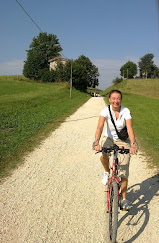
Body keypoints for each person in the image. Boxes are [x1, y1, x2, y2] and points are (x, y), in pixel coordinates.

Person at [93, 89, 138, 210]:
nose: (116, 101)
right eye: (113, 98)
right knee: (103, 154)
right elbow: (100, 126)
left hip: (122, 140)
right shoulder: (105, 111)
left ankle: (124, 199)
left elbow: (129, 128)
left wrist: (133, 144)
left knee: (123, 170)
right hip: (108, 138)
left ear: (121, 100)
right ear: (109, 99)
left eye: (118, 98)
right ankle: (107, 171)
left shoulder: (125, 111)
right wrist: (96, 141)